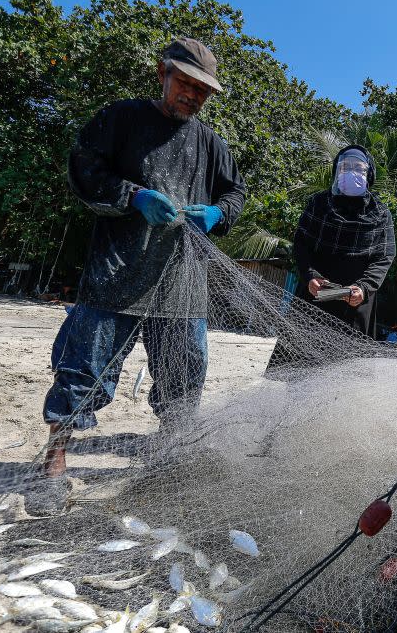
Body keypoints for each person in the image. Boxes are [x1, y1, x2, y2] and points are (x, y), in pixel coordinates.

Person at [26, 37, 247, 515]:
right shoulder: (120, 118)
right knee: (83, 368)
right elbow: (85, 169)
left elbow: (235, 196)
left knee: (184, 376)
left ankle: (172, 462)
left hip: (182, 280)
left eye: (202, 91)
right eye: (185, 84)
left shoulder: (211, 144)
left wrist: (216, 213)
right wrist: (132, 197)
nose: (192, 96)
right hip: (117, 274)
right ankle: (54, 467)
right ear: (163, 72)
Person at [293, 145, 396, 336]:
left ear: (369, 174)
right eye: (345, 168)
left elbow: (384, 257)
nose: (351, 173)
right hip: (315, 293)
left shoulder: (380, 213)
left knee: (351, 362)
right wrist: (310, 275)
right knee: (300, 358)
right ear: (336, 171)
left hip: (356, 301)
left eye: (358, 168)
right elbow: (301, 244)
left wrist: (364, 287)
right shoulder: (319, 204)